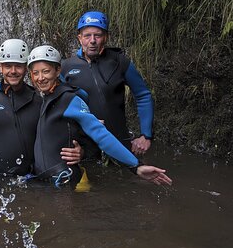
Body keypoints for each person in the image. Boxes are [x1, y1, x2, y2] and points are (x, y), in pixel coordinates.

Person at [28, 45, 171, 187]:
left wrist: (136, 166)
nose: (40, 78)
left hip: (63, 182)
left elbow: (101, 135)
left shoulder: (68, 99)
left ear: (58, 70)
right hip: (47, 182)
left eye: (46, 71)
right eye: (35, 73)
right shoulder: (48, 97)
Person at [0, 39, 82, 192]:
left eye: (18, 66)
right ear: (0, 67)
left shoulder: (40, 100)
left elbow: (62, 132)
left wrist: (81, 151)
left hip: (31, 181)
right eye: (7, 66)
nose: (13, 71)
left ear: (26, 68)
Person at [62, 11, 154, 158]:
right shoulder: (66, 67)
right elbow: (58, 108)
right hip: (84, 148)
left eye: (97, 35)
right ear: (79, 38)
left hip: (120, 144)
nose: (92, 40)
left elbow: (143, 95)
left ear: (105, 37)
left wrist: (146, 135)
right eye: (87, 36)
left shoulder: (119, 62)